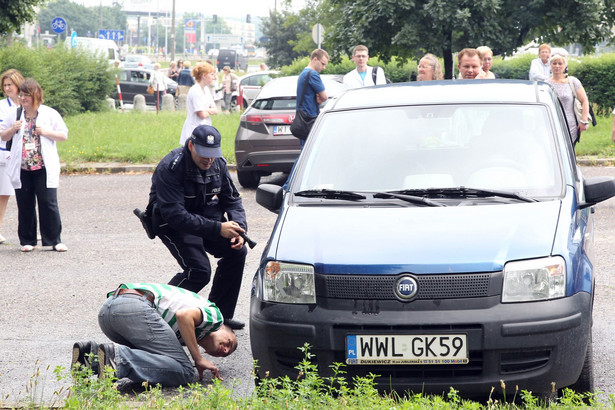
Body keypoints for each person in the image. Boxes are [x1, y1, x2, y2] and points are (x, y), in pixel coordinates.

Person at [147, 124, 248, 330]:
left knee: (237, 251)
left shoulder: (218, 164)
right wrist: (218, 228)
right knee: (199, 270)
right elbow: (176, 216)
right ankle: (151, 316)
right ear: (191, 145)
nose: (208, 159)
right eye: (204, 153)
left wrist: (239, 229)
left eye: (213, 154)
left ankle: (219, 316)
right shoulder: (171, 167)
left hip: (205, 219)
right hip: (173, 223)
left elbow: (233, 200)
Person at [72, 283, 237, 386]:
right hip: (135, 305)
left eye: (226, 354)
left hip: (108, 313)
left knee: (161, 361)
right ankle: (117, 358)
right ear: (222, 328)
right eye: (229, 343)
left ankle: (90, 357)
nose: (224, 350)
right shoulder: (216, 317)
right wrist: (198, 359)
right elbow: (184, 316)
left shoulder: (187, 336)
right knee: (186, 371)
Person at [0, 78, 68, 252]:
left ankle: (54, 240)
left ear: (35, 95)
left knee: (48, 202)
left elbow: (63, 135)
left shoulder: (49, 113)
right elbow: (3, 137)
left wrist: (46, 132)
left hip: (43, 166)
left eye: (26, 95)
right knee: (25, 204)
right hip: (22, 167)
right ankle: (28, 240)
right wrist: (12, 129)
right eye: (21, 95)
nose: (23, 99)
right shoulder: (14, 114)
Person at [0, 69, 25, 244]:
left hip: (25, 155)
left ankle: (30, 230)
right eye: (5, 85)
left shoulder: (26, 104)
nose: (7, 88)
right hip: (4, 154)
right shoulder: (2, 106)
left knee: (28, 193)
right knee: (3, 194)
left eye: (10, 85)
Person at [546, 53, 589, 145]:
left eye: (560, 63)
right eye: (554, 63)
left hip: (570, 126)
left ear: (565, 65)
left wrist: (584, 121)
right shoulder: (545, 84)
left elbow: (584, 100)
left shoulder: (573, 82)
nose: (557, 66)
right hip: (551, 124)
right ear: (550, 65)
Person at [179, 63, 218, 146]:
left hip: (205, 129)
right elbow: (201, 114)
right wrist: (207, 110)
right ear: (204, 75)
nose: (213, 77)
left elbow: (215, 110)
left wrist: (205, 109)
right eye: (211, 74)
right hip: (193, 130)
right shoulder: (195, 90)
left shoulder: (206, 90)